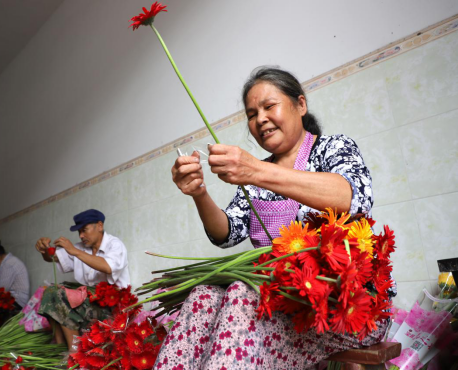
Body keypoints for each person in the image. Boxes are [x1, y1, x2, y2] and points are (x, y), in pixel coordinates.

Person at [157, 67, 387, 369]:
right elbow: (226, 234)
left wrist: (257, 171)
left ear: (300, 105)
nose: (260, 119)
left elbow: (353, 198)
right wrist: (199, 192)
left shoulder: (332, 148)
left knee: (242, 291)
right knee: (202, 295)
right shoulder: (252, 176)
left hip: (345, 306)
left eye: (269, 106)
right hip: (285, 301)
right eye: (252, 114)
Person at [35, 209, 130, 350]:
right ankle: (60, 349)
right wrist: (45, 250)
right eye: (79, 232)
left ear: (99, 226)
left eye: (84, 230)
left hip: (111, 305)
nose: (81, 236)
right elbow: (53, 258)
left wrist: (75, 251)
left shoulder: (115, 245)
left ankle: (74, 352)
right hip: (90, 300)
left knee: (61, 297)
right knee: (50, 292)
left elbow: (108, 267)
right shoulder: (81, 248)